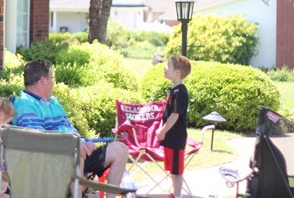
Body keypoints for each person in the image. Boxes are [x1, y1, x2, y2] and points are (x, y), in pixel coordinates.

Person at [12, 59, 129, 198]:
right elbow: (38, 140)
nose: (54, 82)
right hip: (50, 159)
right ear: (43, 80)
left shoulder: (53, 101)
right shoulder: (25, 104)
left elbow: (69, 128)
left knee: (120, 149)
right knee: (74, 150)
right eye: (52, 78)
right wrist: (71, 143)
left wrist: (85, 142)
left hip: (74, 152)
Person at [156, 55, 191, 198]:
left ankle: (177, 195)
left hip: (176, 138)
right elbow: (167, 113)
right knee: (172, 168)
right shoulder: (173, 90)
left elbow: (175, 115)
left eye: (168, 66)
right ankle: (174, 194)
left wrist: (163, 131)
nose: (165, 68)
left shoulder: (180, 92)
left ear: (177, 72)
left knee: (177, 170)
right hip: (170, 137)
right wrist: (162, 129)